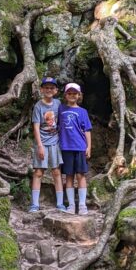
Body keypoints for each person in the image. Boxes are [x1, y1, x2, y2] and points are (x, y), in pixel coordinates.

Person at [29, 77, 66, 213]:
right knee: (39, 172)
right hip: (42, 142)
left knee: (56, 171)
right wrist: (39, 146)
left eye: (51, 88)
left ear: (56, 90)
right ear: (42, 89)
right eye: (46, 87)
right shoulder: (38, 106)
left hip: (55, 142)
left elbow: (61, 122)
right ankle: (34, 204)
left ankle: (60, 203)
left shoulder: (58, 104)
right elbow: (36, 127)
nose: (49, 90)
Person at [59, 82, 92, 215]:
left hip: (80, 147)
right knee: (69, 176)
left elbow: (87, 130)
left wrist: (89, 146)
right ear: (65, 95)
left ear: (79, 95)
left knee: (80, 175)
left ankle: (82, 205)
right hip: (66, 147)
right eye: (69, 93)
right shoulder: (61, 109)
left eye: (75, 93)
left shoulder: (83, 111)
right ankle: (71, 205)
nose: (72, 95)